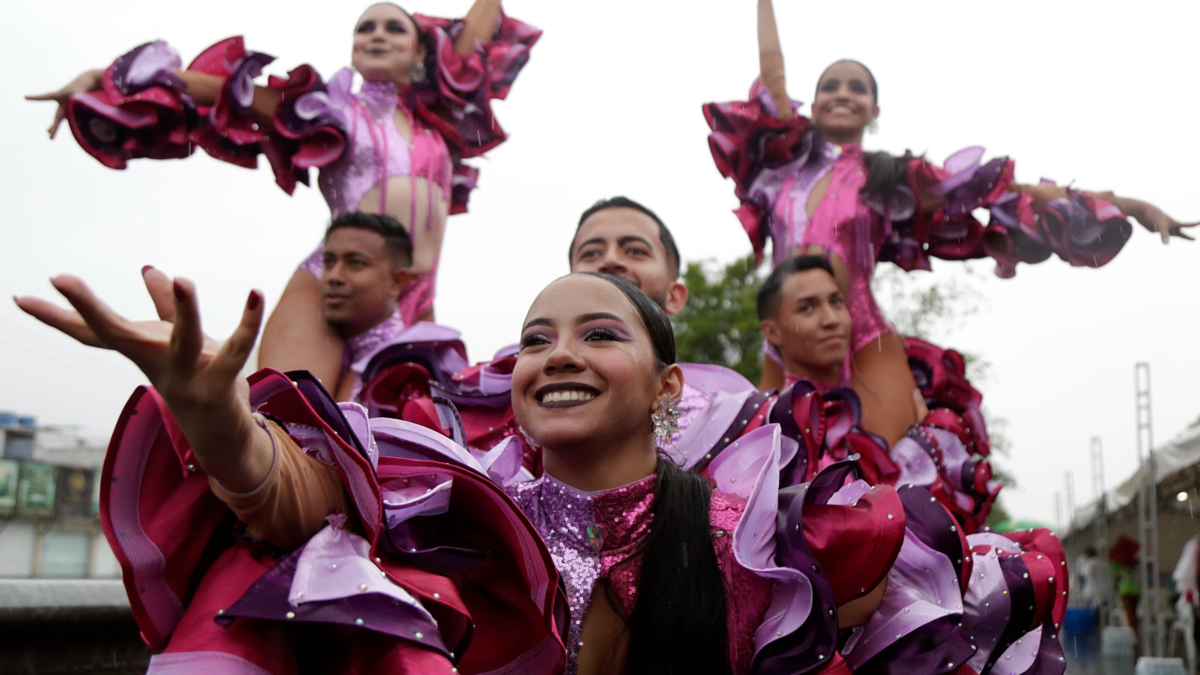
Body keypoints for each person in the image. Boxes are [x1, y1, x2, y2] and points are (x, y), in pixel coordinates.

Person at [703, 0, 1198, 446]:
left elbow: (1010, 190)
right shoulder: (781, 167)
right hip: (788, 331)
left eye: (859, 88)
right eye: (830, 85)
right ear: (810, 104)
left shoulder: (891, 177)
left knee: (884, 468)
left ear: (874, 109)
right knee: (767, 462)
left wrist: (1133, 205)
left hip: (864, 330)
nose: (843, 93)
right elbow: (772, 70)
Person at [26, 0, 540, 391]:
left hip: (413, 297)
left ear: (422, 51)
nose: (377, 35)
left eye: (393, 27)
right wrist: (102, 80)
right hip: (329, 288)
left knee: (400, 451)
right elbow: (223, 92)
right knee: (294, 421)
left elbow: (477, 34)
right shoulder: (331, 111)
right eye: (365, 27)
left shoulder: (440, 124)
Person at [755, 255, 849, 391]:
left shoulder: (875, 399)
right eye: (807, 308)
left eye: (836, 302)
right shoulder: (780, 412)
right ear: (772, 332)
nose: (832, 319)